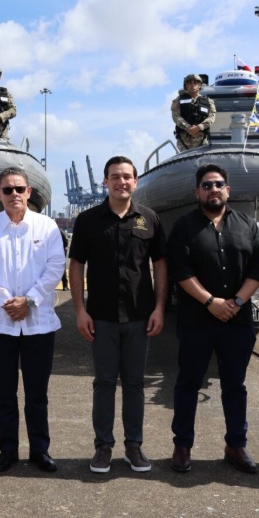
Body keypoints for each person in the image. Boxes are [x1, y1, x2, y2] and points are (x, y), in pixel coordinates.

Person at [166, 164, 259, 474]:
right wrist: (210, 301)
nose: (213, 189)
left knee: (235, 386)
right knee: (188, 383)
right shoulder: (184, 227)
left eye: (219, 184)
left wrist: (236, 302)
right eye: (207, 185)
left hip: (237, 321)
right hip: (197, 320)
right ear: (197, 192)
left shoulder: (248, 226)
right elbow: (181, 271)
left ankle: (236, 445)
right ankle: (182, 445)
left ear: (228, 190)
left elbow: (258, 271)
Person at [68, 156, 167, 473]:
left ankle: (134, 446)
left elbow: (161, 265)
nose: (121, 181)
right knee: (104, 383)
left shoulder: (149, 219)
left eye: (127, 176)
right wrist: (80, 310)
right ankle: (103, 447)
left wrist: (160, 308)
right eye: (115, 176)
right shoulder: (88, 220)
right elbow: (76, 265)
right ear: (105, 182)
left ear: (135, 182)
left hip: (139, 316)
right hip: (102, 316)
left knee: (136, 384)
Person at [0, 167, 65, 473]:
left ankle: (40, 450)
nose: (14, 195)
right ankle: (7, 451)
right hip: (0, 323)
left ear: (29, 193)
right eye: (8, 190)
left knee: (37, 394)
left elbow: (56, 266)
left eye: (19, 189)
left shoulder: (47, 227)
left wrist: (30, 300)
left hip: (38, 323)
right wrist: (4, 301)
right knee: (4, 394)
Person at [171, 74, 216, 152]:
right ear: (186, 85)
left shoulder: (208, 101)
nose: (193, 85)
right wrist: (188, 128)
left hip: (202, 140)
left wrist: (199, 127)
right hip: (184, 141)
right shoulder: (178, 100)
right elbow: (176, 115)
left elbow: (212, 116)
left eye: (195, 82)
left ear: (199, 85)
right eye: (190, 83)